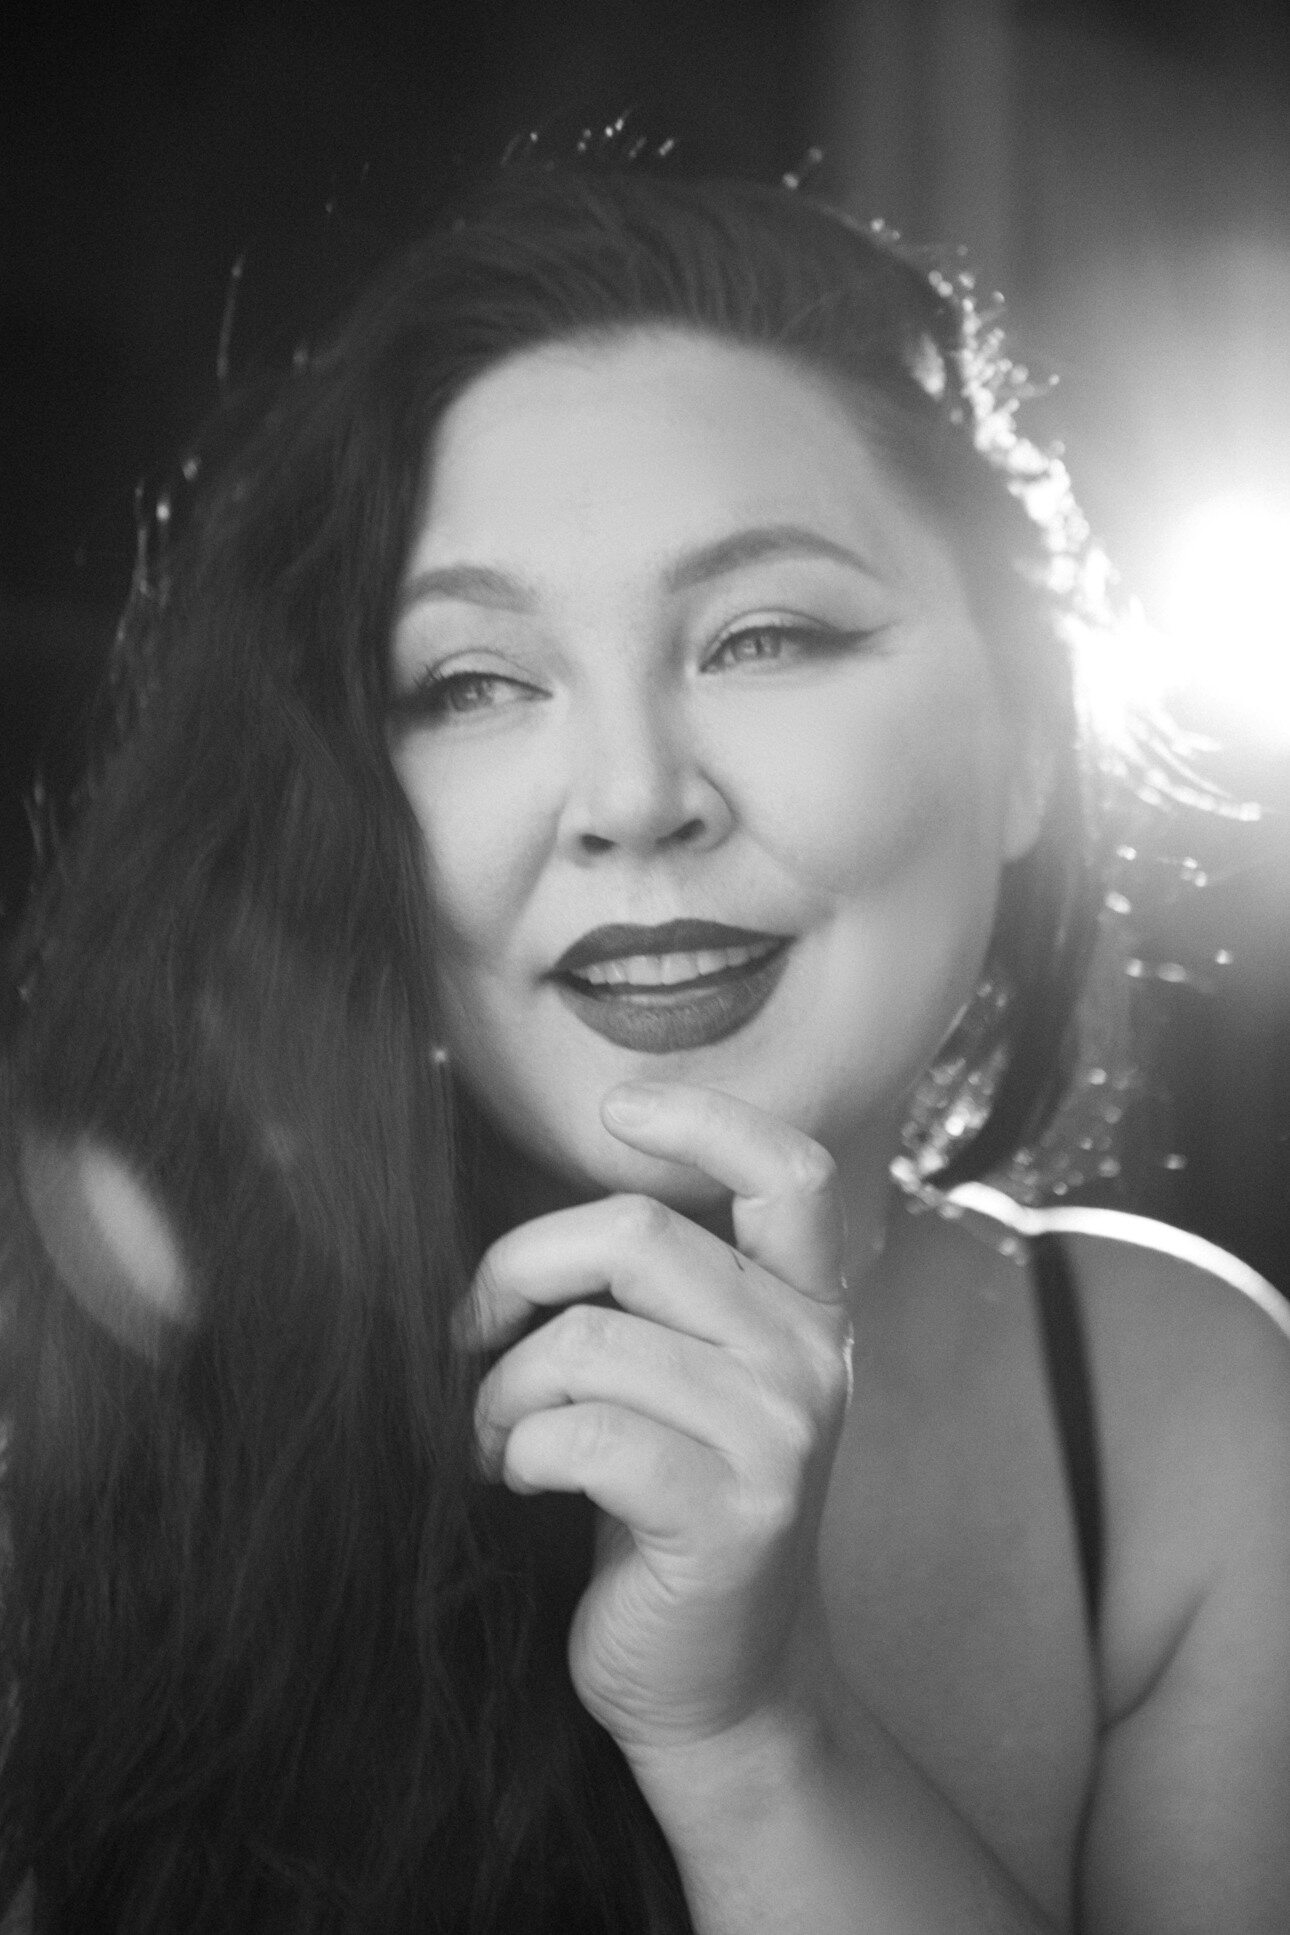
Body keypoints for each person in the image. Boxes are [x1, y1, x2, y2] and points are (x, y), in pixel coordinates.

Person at [2, 161, 1288, 1935]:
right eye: (470, 683)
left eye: (764, 637)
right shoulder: (58, 1385)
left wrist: (755, 1741)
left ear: (1023, 750)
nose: (628, 796)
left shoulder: (1181, 1406)